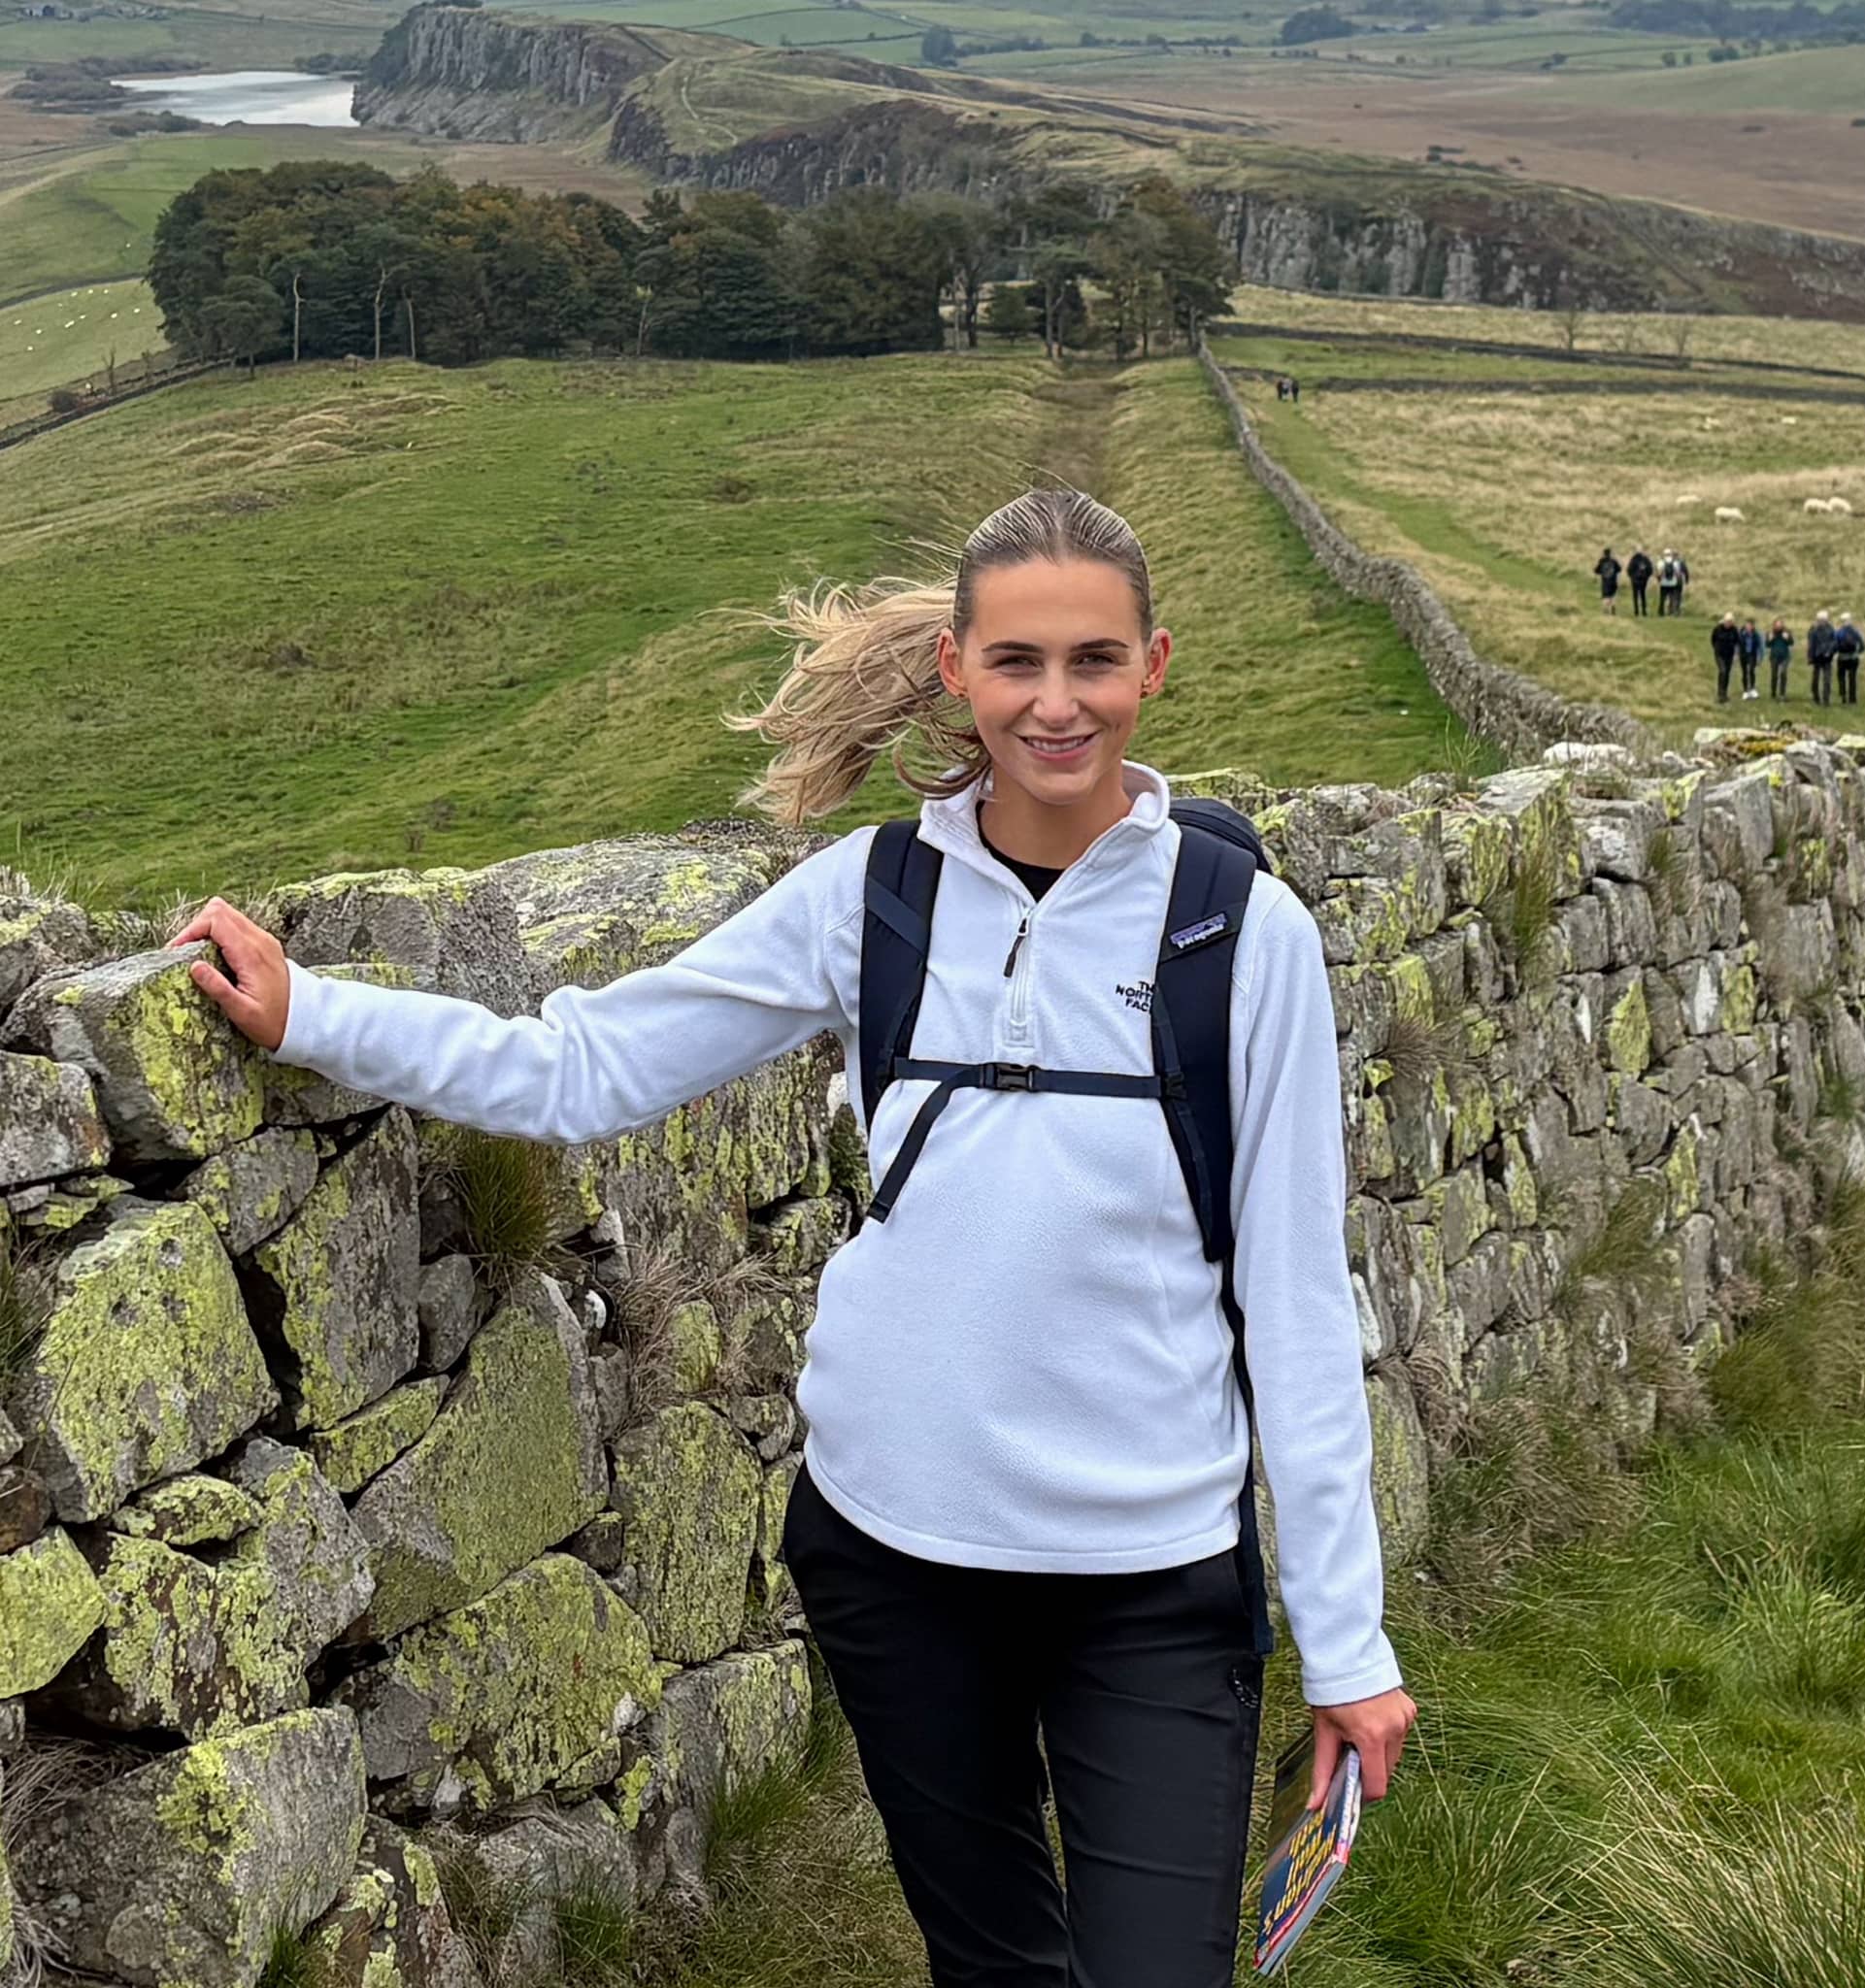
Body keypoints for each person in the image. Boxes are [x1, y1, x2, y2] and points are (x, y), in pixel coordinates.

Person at [168, 488, 1416, 1988]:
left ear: (1156, 665)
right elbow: (586, 1068)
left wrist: (1347, 1649)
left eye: (1095, 660)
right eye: (1017, 662)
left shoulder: (1239, 935)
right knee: (996, 1966)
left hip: (1149, 1579)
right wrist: (316, 1015)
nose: (1057, 701)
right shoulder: (869, 901)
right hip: (897, 1556)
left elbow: (1292, 1304)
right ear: (956, 671)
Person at [1834, 610, 1865, 706]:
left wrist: (1835, 653)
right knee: (1852, 678)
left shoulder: (1839, 632)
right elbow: (1862, 645)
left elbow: (1835, 645)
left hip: (1842, 657)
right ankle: (1853, 699)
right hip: (1853, 658)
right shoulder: (1855, 632)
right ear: (1850, 620)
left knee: (1841, 677)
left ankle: (1843, 696)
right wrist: (1858, 652)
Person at [1711, 611, 1741, 703]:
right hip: (1719, 654)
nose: (1729, 623)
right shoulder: (1717, 629)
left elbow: (1737, 642)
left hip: (1729, 655)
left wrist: (1736, 654)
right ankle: (1720, 693)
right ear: (1724, 621)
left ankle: (1725, 693)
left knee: (1727, 673)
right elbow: (1713, 639)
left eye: (1730, 622)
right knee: (1722, 671)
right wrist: (1716, 648)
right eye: (1727, 621)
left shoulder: (1734, 630)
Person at [1808, 609, 1836, 706]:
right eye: (1820, 619)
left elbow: (1834, 642)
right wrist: (1810, 657)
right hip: (1816, 657)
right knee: (1815, 678)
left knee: (1827, 679)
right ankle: (1816, 696)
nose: (1822, 621)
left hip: (1827, 657)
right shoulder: (1813, 630)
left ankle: (1826, 700)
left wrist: (1830, 651)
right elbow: (1811, 644)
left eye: (1824, 619)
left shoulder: (1831, 629)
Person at [1766, 618, 1794, 702]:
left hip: (1785, 657)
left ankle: (1782, 693)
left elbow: (1791, 643)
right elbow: (1767, 645)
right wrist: (1770, 639)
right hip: (1774, 656)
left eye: (1780, 625)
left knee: (1783, 674)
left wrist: (1787, 638)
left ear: (1782, 625)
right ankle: (1773, 693)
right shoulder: (1770, 633)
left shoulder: (1786, 632)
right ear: (1774, 626)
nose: (1778, 627)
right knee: (1774, 675)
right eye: (1777, 625)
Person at [1738, 616, 1763, 701]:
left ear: (1753, 626)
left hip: (1752, 655)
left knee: (1751, 670)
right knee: (1744, 672)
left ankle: (1752, 689)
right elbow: (1737, 644)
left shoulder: (1756, 635)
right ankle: (1745, 691)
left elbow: (1760, 646)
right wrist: (1735, 654)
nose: (1748, 627)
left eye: (1750, 625)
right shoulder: (1741, 634)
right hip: (1743, 655)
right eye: (1747, 625)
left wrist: (1760, 657)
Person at [1594, 546, 1622, 616]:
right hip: (1613, 581)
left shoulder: (1601, 561)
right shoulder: (1614, 561)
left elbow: (1596, 570)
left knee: (1605, 596)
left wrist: (1602, 572)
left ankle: (1606, 610)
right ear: (1610, 553)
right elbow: (1619, 569)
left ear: (1604, 553)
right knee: (1613, 595)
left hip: (1605, 581)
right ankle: (1613, 607)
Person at [1626, 545, 1653, 616]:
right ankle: (1644, 611)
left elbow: (1629, 569)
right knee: (1643, 595)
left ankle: (1636, 611)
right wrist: (1647, 577)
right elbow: (1650, 569)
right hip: (1643, 580)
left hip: (1635, 580)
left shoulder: (1633, 559)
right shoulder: (1645, 559)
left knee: (1635, 596)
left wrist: (1632, 577)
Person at [1656, 547, 1682, 616]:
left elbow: (1659, 573)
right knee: (1672, 598)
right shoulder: (1675, 563)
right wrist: (1678, 581)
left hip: (1663, 583)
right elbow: (1678, 574)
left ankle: (1661, 612)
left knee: (1662, 598)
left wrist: (1659, 580)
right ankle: (1671, 612)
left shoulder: (1661, 562)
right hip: (1673, 583)